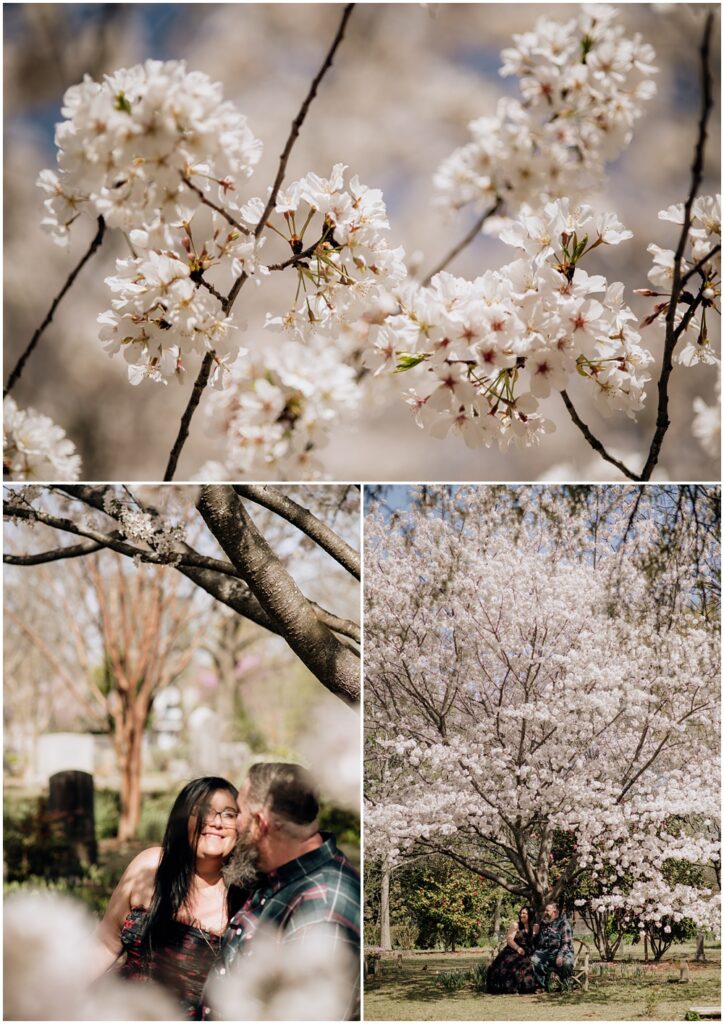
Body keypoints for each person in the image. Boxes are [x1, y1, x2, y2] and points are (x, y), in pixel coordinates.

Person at [200, 762, 361, 1020]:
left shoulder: (322, 913)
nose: (234, 824)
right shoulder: (279, 875)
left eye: (239, 813)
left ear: (260, 824)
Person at [95, 776, 245, 1019]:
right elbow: (104, 944)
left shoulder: (247, 898)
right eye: (203, 811)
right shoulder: (150, 865)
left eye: (228, 814)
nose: (216, 822)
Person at [485, 906, 539, 994]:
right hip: (513, 950)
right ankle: (509, 988)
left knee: (525, 965)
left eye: (524, 913)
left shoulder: (535, 926)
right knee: (512, 964)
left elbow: (536, 941)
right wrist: (518, 948)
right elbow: (509, 940)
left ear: (530, 915)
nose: (521, 915)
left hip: (528, 952)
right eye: (521, 913)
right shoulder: (515, 925)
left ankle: (527, 987)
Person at [530, 901, 574, 990]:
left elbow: (566, 943)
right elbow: (538, 942)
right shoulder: (543, 924)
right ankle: (542, 985)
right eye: (545, 911)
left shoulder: (563, 923)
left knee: (566, 963)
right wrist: (535, 934)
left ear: (555, 912)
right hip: (546, 952)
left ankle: (565, 982)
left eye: (547, 911)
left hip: (563, 951)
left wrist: (560, 955)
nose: (545, 913)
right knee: (534, 960)